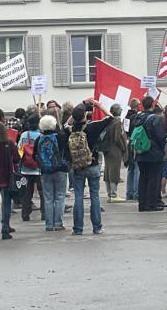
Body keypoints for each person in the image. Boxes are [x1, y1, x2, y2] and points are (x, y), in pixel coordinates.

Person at [67, 101, 112, 235]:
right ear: (85, 116)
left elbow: (66, 123)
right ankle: (97, 227)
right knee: (95, 196)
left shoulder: (70, 129)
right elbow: (111, 118)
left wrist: (79, 106)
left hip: (77, 166)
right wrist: (99, 105)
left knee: (78, 197)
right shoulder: (92, 127)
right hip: (92, 164)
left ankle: (78, 228)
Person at [33, 115, 70, 231]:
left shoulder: (39, 139)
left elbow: (35, 155)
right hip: (60, 169)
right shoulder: (61, 137)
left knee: (48, 198)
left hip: (45, 171)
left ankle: (49, 224)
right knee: (60, 197)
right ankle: (58, 223)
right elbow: (67, 151)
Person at [133, 96, 166, 212]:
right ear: (152, 105)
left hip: (141, 152)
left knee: (143, 178)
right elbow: (160, 136)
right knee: (153, 178)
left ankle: (142, 204)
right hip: (153, 152)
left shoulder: (137, 117)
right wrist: (162, 148)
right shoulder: (155, 119)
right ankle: (151, 204)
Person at [18, 114, 43, 222]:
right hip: (38, 168)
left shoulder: (24, 135)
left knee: (27, 192)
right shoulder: (41, 135)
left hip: (26, 167)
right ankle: (45, 213)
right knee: (42, 192)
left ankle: (25, 213)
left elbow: (19, 149)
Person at [102, 103, 128, 203]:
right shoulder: (117, 122)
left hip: (107, 149)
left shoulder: (108, 120)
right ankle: (113, 194)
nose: (121, 110)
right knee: (114, 172)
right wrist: (123, 148)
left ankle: (110, 194)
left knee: (108, 171)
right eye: (120, 109)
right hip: (115, 149)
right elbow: (117, 137)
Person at [124, 98, 141, 201]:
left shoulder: (126, 117)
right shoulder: (136, 117)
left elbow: (126, 131)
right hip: (135, 142)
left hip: (129, 141)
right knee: (136, 168)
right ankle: (136, 193)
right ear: (136, 106)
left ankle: (129, 193)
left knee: (130, 168)